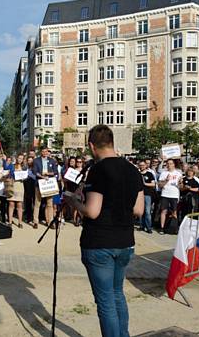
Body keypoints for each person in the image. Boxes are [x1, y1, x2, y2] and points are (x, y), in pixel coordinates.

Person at [65, 125, 144, 337]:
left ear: (91, 145)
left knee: (106, 301)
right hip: (125, 241)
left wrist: (73, 201)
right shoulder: (133, 169)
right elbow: (139, 209)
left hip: (100, 242)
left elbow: (92, 211)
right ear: (112, 142)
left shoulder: (98, 170)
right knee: (118, 294)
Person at [32, 147, 58, 229]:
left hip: (49, 184)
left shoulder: (52, 160)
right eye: (43, 151)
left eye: (46, 151)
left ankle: (50, 222)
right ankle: (35, 222)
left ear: (47, 152)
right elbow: (34, 171)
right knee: (37, 203)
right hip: (39, 183)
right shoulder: (36, 160)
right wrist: (42, 177)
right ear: (41, 152)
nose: (44, 152)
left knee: (49, 204)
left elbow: (55, 172)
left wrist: (48, 174)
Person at [157, 159, 182, 235]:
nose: (169, 165)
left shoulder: (178, 173)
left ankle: (174, 228)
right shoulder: (163, 173)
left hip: (174, 194)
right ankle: (162, 228)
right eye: (167, 163)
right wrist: (166, 180)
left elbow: (181, 186)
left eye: (171, 163)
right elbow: (160, 185)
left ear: (174, 164)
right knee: (163, 211)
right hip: (165, 194)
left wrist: (180, 183)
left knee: (174, 212)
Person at [6, 154, 25, 228]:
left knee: (19, 205)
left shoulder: (24, 167)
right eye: (19, 158)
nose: (20, 159)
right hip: (12, 186)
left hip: (20, 186)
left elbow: (26, 176)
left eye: (21, 158)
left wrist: (24, 177)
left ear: (23, 160)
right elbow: (7, 172)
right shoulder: (12, 165)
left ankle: (20, 222)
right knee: (11, 204)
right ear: (17, 158)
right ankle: (10, 222)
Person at [138, 160, 155, 233]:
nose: (142, 167)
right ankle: (142, 226)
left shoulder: (150, 174)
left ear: (146, 166)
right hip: (139, 194)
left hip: (147, 195)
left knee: (147, 211)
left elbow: (153, 184)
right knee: (140, 211)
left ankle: (149, 227)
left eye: (143, 165)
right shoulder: (137, 173)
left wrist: (144, 183)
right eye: (140, 165)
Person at [23, 155, 36, 224]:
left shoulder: (35, 168)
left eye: (31, 160)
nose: (30, 162)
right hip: (27, 187)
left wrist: (30, 174)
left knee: (35, 202)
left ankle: (35, 217)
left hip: (34, 186)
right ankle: (28, 217)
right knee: (28, 202)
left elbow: (36, 176)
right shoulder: (25, 168)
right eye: (29, 160)